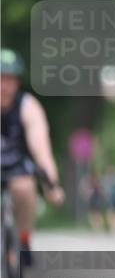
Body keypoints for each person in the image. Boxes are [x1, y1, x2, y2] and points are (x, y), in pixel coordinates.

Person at [0, 49, 64, 261]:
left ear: (17, 82)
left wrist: (51, 185)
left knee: (25, 188)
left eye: (9, 79)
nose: (4, 86)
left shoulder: (28, 107)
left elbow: (42, 151)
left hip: (17, 167)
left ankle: (24, 241)